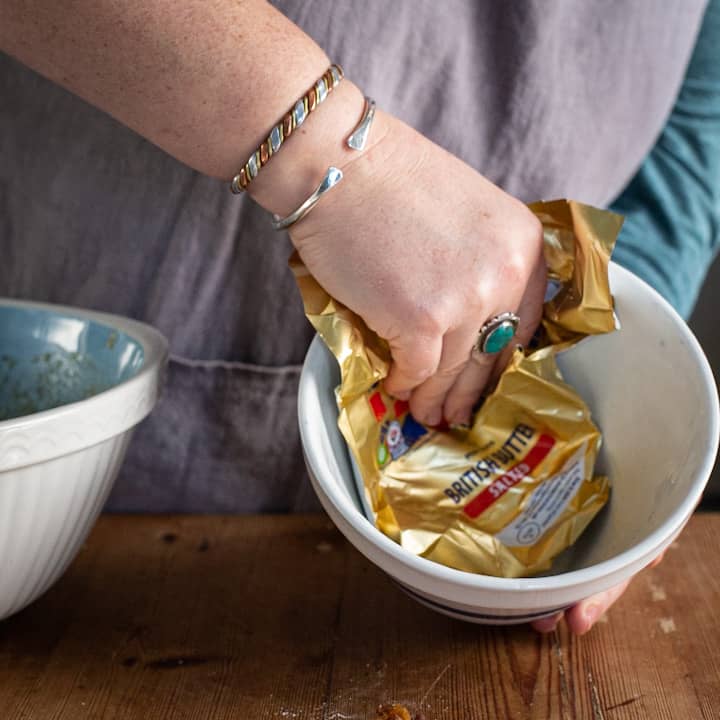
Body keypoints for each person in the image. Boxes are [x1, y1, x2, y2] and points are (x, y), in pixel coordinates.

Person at [1, 0, 717, 635]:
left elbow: (695, 123)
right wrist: (340, 160)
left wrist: (633, 370)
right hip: (93, 488)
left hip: (499, 471)